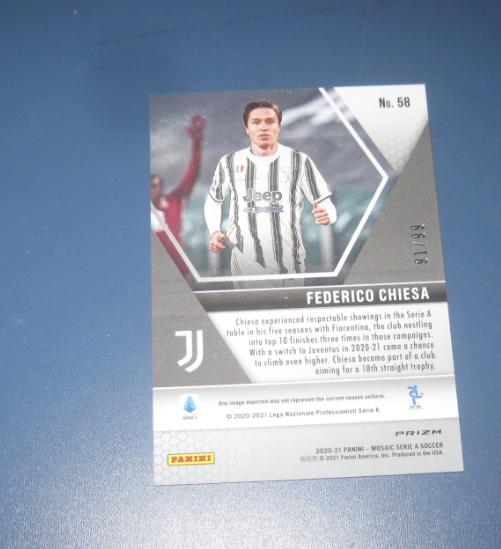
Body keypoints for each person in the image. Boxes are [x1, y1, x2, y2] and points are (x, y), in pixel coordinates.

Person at [204, 99, 336, 287]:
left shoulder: (299, 161)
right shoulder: (230, 163)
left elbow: (326, 203)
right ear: (247, 128)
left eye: (270, 121)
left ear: (279, 127)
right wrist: (214, 231)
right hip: (247, 262)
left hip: (292, 263)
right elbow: (213, 201)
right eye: (256, 122)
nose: (263, 127)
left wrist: (328, 215)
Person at [151, 114, 205, 276]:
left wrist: (197, 141)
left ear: (161, 187)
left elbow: (193, 172)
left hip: (180, 272)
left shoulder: (174, 200)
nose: (150, 190)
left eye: (153, 186)